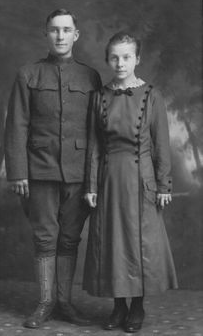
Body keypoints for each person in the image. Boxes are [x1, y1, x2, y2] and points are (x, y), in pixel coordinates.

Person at [4, 8, 102, 329]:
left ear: (76, 35)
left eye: (66, 30)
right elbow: (16, 125)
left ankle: (65, 302)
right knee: (45, 237)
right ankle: (45, 302)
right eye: (54, 30)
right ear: (46, 34)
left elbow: (95, 132)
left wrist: (93, 178)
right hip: (39, 170)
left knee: (70, 238)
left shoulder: (90, 77)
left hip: (78, 173)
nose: (60, 36)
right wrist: (18, 171)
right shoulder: (28, 74)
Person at [83, 31, 178, 333]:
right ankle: (118, 306)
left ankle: (137, 306)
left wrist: (164, 185)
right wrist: (91, 186)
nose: (120, 63)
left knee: (139, 244)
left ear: (137, 58)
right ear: (107, 59)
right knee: (111, 242)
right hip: (109, 179)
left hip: (142, 179)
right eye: (114, 57)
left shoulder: (152, 95)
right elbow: (94, 145)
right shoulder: (99, 96)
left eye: (126, 57)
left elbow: (161, 145)